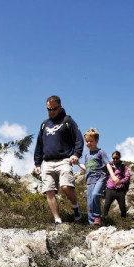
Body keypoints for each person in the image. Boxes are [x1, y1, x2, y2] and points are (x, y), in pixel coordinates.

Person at [33, 95, 84, 224]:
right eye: (49, 109)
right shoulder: (44, 124)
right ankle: (57, 219)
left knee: (66, 186)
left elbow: (79, 139)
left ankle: (76, 207)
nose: (51, 111)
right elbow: (39, 144)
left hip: (64, 160)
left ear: (60, 107)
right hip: (48, 162)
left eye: (54, 109)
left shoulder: (67, 121)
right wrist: (37, 163)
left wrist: (76, 154)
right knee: (49, 191)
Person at [77, 128, 114, 226]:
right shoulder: (86, 155)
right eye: (87, 141)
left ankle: (97, 217)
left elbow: (107, 164)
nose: (88, 143)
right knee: (89, 204)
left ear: (96, 141)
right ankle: (92, 224)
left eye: (91, 141)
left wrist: (113, 176)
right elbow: (87, 168)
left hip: (100, 178)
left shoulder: (101, 152)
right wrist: (78, 164)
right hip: (90, 181)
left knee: (95, 195)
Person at [103, 150, 131, 219]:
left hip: (120, 190)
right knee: (106, 206)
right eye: (113, 158)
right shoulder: (109, 166)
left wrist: (121, 181)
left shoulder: (124, 167)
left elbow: (127, 177)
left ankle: (124, 221)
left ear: (119, 157)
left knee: (122, 207)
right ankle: (103, 220)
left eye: (117, 158)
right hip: (110, 189)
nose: (115, 159)